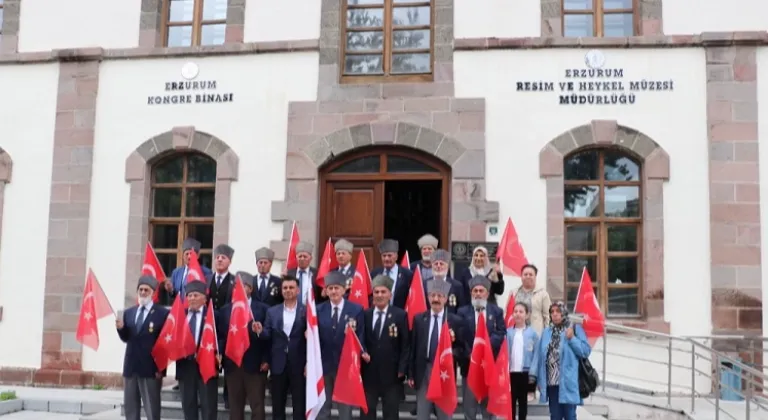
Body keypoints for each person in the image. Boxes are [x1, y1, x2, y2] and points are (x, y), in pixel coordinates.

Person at [408, 279, 466, 420]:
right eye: (433, 295)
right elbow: (413, 348)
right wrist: (410, 374)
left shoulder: (455, 321)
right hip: (424, 371)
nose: (436, 299)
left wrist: (450, 353)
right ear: (428, 298)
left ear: (446, 299)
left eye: (439, 296)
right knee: (422, 413)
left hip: (444, 372)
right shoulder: (419, 319)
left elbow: (462, 348)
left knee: (444, 414)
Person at [217, 271, 270, 420]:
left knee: (257, 406)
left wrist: (266, 359)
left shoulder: (263, 309)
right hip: (233, 364)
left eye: (243, 286)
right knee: (235, 406)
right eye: (235, 286)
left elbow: (268, 337)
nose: (238, 289)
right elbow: (222, 336)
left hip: (255, 365)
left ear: (251, 289)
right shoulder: (225, 310)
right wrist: (220, 353)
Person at [116, 275, 169, 420]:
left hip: (151, 369)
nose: (143, 292)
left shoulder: (162, 313)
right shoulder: (129, 313)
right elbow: (126, 338)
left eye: (146, 290)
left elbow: (165, 344)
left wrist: (162, 369)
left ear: (153, 293)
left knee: (152, 409)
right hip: (131, 367)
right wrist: (120, 329)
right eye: (140, 289)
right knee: (131, 409)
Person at [316, 271, 366, 420]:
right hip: (324, 366)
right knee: (323, 407)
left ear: (344, 290)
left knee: (345, 409)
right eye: (330, 288)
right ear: (326, 290)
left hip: (346, 366)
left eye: (337, 288)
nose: (333, 291)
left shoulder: (356, 309)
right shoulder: (318, 310)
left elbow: (361, 337)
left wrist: (363, 352)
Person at [530, 302, 591, 420]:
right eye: (552, 312)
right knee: (555, 416)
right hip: (552, 383)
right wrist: (536, 378)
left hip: (568, 382)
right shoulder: (547, 332)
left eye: (558, 311)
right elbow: (539, 356)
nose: (555, 314)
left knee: (570, 416)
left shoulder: (574, 329)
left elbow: (585, 351)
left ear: (564, 313)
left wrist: (572, 339)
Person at [361, 274, 410, 420]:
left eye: (383, 292)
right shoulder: (365, 314)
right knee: (367, 413)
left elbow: (405, 344)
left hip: (392, 375)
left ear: (390, 294)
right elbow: (360, 339)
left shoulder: (399, 315)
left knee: (390, 414)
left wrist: (402, 369)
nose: (379, 295)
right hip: (369, 374)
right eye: (376, 292)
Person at [457, 275, 505, 420]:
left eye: (481, 290)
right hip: (469, 364)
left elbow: (501, 332)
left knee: (488, 406)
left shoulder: (496, 312)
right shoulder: (462, 312)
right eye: (475, 290)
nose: (478, 293)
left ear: (487, 293)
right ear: (471, 293)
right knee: (469, 407)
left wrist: (486, 347)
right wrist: (471, 353)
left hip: (489, 365)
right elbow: (460, 336)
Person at [258, 275, 306, 420]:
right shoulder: (272, 312)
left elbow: (313, 340)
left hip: (299, 364)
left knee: (299, 406)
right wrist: (260, 330)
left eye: (291, 287)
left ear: (298, 290)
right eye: (285, 288)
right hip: (278, 364)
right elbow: (267, 335)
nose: (288, 290)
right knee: (277, 407)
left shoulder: (307, 311)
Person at [175, 280, 219, 420]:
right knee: (188, 406)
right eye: (189, 295)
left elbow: (221, 337)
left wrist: (219, 353)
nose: (192, 298)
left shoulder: (213, 315)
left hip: (206, 364)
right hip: (185, 366)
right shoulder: (180, 315)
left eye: (195, 295)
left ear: (204, 299)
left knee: (208, 407)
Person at [515, 263, 552, 402]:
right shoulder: (515, 292)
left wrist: (547, 334)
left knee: (533, 363)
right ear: (521, 276)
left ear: (535, 276)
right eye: (525, 274)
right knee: (519, 361)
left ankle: (531, 390)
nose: (528, 276)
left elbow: (548, 316)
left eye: (531, 274)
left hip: (535, 334)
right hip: (518, 332)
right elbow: (509, 312)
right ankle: (518, 388)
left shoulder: (542, 294)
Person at [507, 302, 539, 420]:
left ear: (527, 315)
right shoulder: (508, 332)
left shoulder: (533, 334)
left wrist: (533, 373)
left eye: (521, 312)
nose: (518, 314)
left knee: (523, 404)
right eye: (515, 312)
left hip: (525, 373)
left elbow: (536, 355)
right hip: (511, 373)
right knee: (510, 404)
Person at [163, 237, 212, 304]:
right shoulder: (176, 272)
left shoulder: (206, 272)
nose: (189, 257)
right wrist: (170, 290)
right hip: (180, 309)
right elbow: (173, 295)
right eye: (187, 254)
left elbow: (207, 293)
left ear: (197, 256)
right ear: (183, 256)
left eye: (191, 254)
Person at [370, 239, 413, 309]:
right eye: (384, 256)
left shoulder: (407, 274)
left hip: (399, 314)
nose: (386, 259)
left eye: (389, 256)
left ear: (396, 257)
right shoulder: (375, 273)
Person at [427, 249, 467, 314]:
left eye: (441, 264)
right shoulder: (424, 284)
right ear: (432, 266)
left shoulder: (457, 286)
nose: (438, 266)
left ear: (447, 267)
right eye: (436, 264)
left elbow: (461, 309)